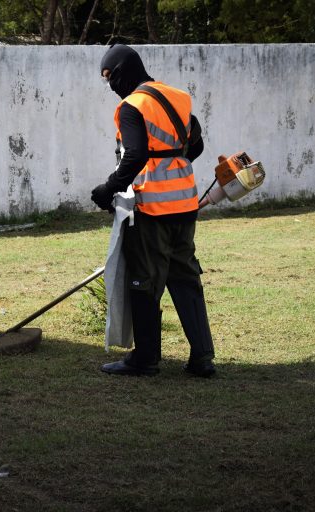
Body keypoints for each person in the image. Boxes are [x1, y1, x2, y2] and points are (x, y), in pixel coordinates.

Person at [91, 44, 216, 378]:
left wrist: (107, 190)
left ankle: (145, 359)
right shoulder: (177, 97)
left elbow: (134, 156)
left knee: (144, 283)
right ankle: (202, 358)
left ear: (122, 72)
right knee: (186, 278)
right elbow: (197, 145)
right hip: (185, 205)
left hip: (152, 209)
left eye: (110, 78)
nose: (111, 87)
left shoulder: (132, 106)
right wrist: (172, 165)